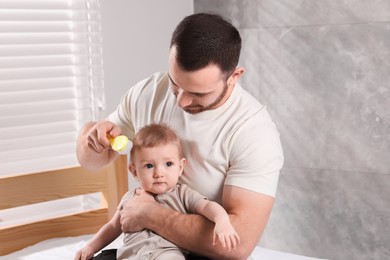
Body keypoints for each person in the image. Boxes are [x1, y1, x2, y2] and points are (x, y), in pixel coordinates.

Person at [77, 13, 284, 260]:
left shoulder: (254, 132)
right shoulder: (147, 93)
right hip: (142, 247)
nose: (182, 101)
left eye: (198, 93)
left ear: (234, 76)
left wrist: (148, 214)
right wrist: (92, 139)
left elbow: (237, 246)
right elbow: (90, 161)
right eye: (175, 84)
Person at [75, 124, 240, 260]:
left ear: (180, 166)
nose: (159, 173)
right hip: (129, 255)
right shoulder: (130, 199)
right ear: (134, 171)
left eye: (168, 164)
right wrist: (90, 246)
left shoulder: (182, 194)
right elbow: (112, 226)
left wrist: (222, 221)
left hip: (166, 254)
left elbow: (207, 206)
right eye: (149, 166)